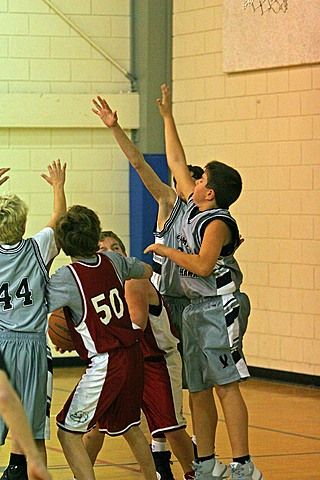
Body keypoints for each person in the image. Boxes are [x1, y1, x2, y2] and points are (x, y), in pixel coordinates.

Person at [144, 86, 264, 480]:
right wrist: (166, 116)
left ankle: (244, 464)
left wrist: (164, 251)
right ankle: (206, 461)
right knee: (197, 387)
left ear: (209, 192)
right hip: (196, 311)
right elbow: (177, 158)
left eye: (200, 179)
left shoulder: (217, 221)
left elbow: (201, 264)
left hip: (219, 306)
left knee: (226, 383)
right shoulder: (193, 208)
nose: (190, 180)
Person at [45, 206, 159, 480]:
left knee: (67, 431)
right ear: (95, 234)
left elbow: (38, 303)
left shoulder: (67, 277)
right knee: (131, 427)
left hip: (107, 362)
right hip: (132, 355)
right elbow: (145, 270)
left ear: (62, 244)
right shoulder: (112, 261)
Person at [82, 231, 195, 480]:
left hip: (156, 362)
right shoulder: (96, 288)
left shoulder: (134, 280)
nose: (109, 251)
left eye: (115, 247)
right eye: (101, 249)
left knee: (171, 427)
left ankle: (196, 473)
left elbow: (136, 326)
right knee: (95, 427)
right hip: (122, 361)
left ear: (124, 254)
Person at [0, 160, 67, 480]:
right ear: (24, 225)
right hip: (32, 346)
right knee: (32, 424)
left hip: (2, 343)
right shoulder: (38, 248)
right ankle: (22, 468)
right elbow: (59, 218)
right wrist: (58, 187)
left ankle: (15, 469)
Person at [0, 351, 52, 480]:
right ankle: (18, 468)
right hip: (32, 348)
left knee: (37, 435)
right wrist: (33, 457)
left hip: (32, 347)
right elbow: (5, 397)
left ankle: (16, 468)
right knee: (36, 436)